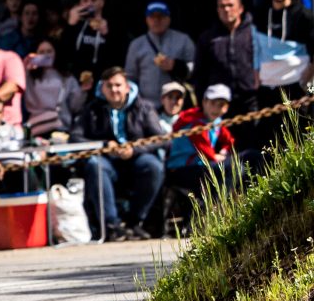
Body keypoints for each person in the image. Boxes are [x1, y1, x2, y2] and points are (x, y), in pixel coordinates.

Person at [75, 67, 167, 241]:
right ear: (102, 88)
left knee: (153, 166)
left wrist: (134, 149)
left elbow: (162, 139)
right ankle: (112, 225)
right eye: (109, 86)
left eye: (118, 85)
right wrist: (104, 145)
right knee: (95, 165)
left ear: (127, 87)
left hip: (137, 158)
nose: (114, 90)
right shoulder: (92, 109)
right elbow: (76, 137)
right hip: (107, 160)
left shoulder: (144, 107)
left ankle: (135, 221)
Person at [165, 84, 239, 234]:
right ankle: (212, 211)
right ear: (204, 102)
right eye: (213, 103)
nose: (216, 108)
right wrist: (217, 156)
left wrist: (223, 151)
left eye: (221, 104)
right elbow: (204, 150)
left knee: (238, 166)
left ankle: (210, 212)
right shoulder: (194, 121)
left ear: (226, 107)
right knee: (231, 168)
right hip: (181, 169)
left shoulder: (216, 121)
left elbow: (229, 140)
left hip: (200, 166)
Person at [195, 0, 260, 154]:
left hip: (251, 102)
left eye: (230, 5)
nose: (226, 9)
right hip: (220, 107)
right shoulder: (207, 38)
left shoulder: (254, 34)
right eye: (222, 6)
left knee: (254, 152)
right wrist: (204, 106)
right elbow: (200, 75)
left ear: (241, 8)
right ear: (217, 10)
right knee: (225, 156)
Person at [125, 2, 196, 102]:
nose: (156, 20)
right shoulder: (136, 45)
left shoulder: (184, 40)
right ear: (146, 19)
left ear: (168, 19)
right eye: (152, 17)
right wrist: (136, 101)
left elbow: (196, 69)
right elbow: (130, 77)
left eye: (161, 17)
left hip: (176, 102)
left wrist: (176, 66)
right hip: (147, 103)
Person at [22, 39, 86, 136]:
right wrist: (25, 66)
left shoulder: (67, 77)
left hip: (61, 126)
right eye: (41, 52)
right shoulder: (29, 76)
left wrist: (83, 91)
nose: (46, 55)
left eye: (49, 51)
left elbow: (75, 107)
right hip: (37, 125)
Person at [60, 0, 124, 79]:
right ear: (80, 3)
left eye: (93, 0)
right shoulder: (75, 24)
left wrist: (107, 34)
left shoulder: (112, 24)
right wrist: (70, 25)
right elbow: (63, 53)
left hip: (103, 78)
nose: (89, 4)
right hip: (77, 77)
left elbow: (119, 55)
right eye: (85, 1)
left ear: (102, 2)